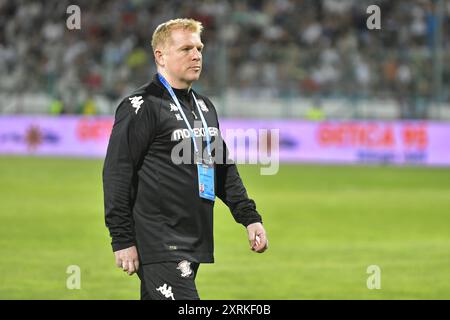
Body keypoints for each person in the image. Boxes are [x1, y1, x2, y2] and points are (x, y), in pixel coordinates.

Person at [103, 18, 268, 300]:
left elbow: (223, 170)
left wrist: (249, 217)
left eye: (199, 48)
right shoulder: (142, 106)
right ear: (161, 56)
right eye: (186, 49)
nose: (196, 55)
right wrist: (122, 239)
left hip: (193, 239)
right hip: (160, 241)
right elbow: (117, 174)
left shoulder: (204, 106)